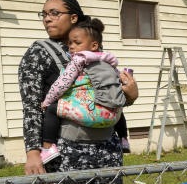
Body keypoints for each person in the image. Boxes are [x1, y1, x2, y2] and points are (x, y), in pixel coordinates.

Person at [19, 0, 164, 184]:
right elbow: (32, 106)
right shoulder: (39, 54)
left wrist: (132, 94)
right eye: (43, 14)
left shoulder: (92, 47)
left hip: (106, 143)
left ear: (73, 17)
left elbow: (111, 97)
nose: (47, 18)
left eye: (54, 13)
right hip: (70, 147)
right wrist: (34, 151)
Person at [38, 19, 131, 163]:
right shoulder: (108, 61)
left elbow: (62, 83)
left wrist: (48, 100)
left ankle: (48, 147)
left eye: (77, 43)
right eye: (69, 43)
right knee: (116, 103)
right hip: (111, 118)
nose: (71, 47)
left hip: (91, 113)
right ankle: (124, 138)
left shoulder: (79, 60)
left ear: (94, 45)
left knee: (51, 110)